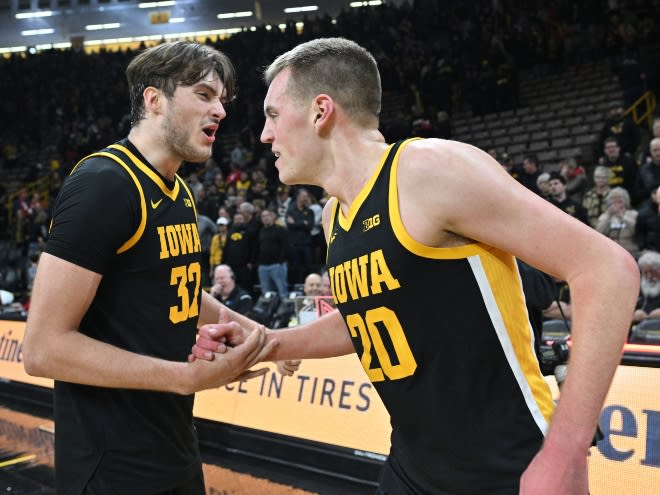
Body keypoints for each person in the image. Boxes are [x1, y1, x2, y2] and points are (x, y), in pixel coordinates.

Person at [193, 37, 639, 494]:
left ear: (320, 110)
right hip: (411, 467)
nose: (265, 135)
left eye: (272, 115)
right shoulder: (335, 216)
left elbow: (609, 270)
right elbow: (363, 321)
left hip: (507, 468)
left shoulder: (429, 171)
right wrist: (268, 343)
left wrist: (564, 453)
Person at [20, 41, 276, 495]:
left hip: (173, 446)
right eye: (203, 94)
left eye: (222, 99)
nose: (220, 109)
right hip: (112, 466)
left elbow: (178, 290)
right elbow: (42, 349)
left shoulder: (178, 191)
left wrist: (259, 336)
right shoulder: (104, 184)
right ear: (153, 99)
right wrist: (185, 378)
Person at [595, 187, 640, 259]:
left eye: (619, 200)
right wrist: (608, 216)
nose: (616, 202)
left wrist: (622, 217)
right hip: (610, 251)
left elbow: (637, 230)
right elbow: (598, 232)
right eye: (613, 200)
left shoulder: (633, 214)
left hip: (630, 251)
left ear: (626, 200)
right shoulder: (606, 215)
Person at [255, 208, 290, 300]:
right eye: (263, 216)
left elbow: (285, 246)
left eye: (267, 215)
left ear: (272, 217)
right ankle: (267, 312)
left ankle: (285, 312)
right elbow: (257, 247)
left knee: (282, 292)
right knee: (266, 294)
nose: (265, 218)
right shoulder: (260, 231)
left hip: (277, 265)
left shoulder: (279, 229)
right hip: (263, 266)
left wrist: (280, 261)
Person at [632, 250, 660, 324]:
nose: (649, 276)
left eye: (653, 271)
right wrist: (634, 315)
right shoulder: (640, 290)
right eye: (645, 273)